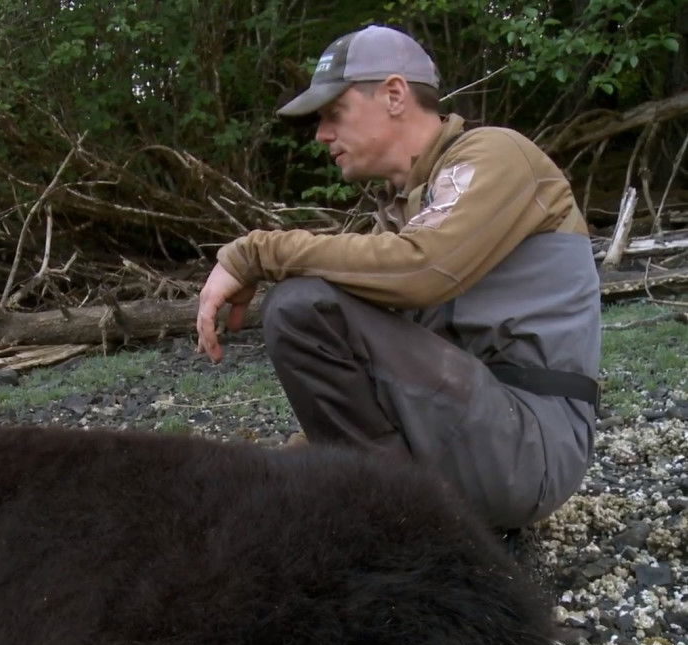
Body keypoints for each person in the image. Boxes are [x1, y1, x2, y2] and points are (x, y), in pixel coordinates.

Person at [195, 25, 599, 530]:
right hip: (469, 431)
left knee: (301, 307)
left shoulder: (497, 155)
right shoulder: (410, 203)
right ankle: (376, 503)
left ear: (393, 95)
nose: (322, 134)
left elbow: (424, 267)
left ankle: (398, 522)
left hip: (528, 447)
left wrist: (254, 252)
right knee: (312, 317)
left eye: (333, 114)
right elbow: (371, 370)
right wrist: (297, 462)